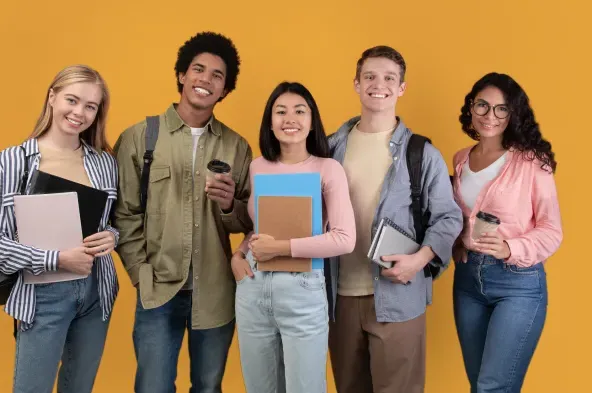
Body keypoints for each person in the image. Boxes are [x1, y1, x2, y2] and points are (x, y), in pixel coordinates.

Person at [113, 31, 252, 393]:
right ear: (181, 75)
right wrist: (139, 274)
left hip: (216, 291)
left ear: (225, 90)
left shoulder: (237, 146)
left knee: (208, 387)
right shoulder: (139, 138)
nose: (205, 79)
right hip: (157, 289)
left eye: (217, 76)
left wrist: (228, 205)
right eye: (198, 69)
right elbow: (124, 214)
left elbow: (250, 220)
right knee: (153, 388)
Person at [0, 64, 119, 393]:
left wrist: (111, 236)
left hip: (96, 292)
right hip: (42, 295)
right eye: (72, 99)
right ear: (52, 97)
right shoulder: (14, 161)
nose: (79, 112)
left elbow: (113, 224)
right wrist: (57, 259)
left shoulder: (104, 162)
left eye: (91, 106)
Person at [326, 45, 463, 393]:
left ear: (401, 88)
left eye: (389, 78)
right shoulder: (328, 148)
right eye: (369, 76)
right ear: (356, 83)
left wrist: (418, 260)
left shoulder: (421, 153)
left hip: (398, 296)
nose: (379, 84)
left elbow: (448, 218)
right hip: (338, 298)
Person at [230, 81, 355, 393]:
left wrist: (280, 248)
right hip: (253, 287)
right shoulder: (258, 167)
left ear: (312, 121)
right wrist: (237, 254)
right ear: (270, 122)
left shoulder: (328, 169)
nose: (290, 118)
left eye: (300, 111)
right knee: (260, 388)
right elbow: (260, 228)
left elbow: (344, 239)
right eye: (280, 111)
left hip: (302, 290)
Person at [451, 72, 563, 393]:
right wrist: (459, 241)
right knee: (479, 385)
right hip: (468, 282)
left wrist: (510, 249)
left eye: (501, 109)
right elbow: (461, 217)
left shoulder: (531, 163)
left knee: (493, 387)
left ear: (513, 114)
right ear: (471, 108)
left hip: (518, 284)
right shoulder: (461, 159)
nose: (490, 116)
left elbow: (552, 230)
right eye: (483, 106)